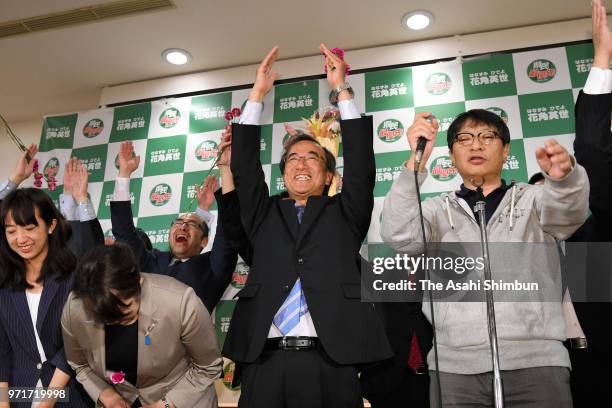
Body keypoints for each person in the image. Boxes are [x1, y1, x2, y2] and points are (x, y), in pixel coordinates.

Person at [381, 107, 589, 406]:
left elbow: (569, 213)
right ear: (451, 156)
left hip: (537, 362)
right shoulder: (436, 210)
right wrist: (415, 162)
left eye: (487, 137)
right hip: (454, 369)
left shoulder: (534, 200)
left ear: (505, 151)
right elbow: (399, 235)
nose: (476, 145)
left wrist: (565, 181)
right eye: (464, 138)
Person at [222, 44, 391, 407]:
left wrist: (342, 90)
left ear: (329, 174)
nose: (301, 163)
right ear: (283, 174)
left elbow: (361, 167)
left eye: (312, 157)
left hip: (332, 360)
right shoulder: (263, 213)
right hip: (265, 360)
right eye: (292, 159)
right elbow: (246, 170)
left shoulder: (345, 213)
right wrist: (257, 95)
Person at [61, 243, 223, 408]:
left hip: (183, 399)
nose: (115, 323)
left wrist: (165, 405)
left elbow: (208, 367)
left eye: (124, 314)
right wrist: (106, 395)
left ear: (139, 282)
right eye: (105, 318)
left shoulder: (180, 302)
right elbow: (80, 365)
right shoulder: (75, 308)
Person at [0, 147, 100, 407]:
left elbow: (77, 340)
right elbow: (2, 350)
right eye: (11, 231)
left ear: (51, 226)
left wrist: (47, 400)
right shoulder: (5, 284)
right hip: (18, 396)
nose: (20, 239)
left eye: (30, 228)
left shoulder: (73, 276)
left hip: (69, 395)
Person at [110, 141, 238, 312]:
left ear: (204, 242)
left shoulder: (212, 267)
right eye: (177, 223)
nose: (182, 226)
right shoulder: (151, 261)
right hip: (145, 338)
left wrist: (225, 170)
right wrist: (124, 174)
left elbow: (228, 231)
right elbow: (124, 231)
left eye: (191, 224)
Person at [563, 1, 612, 405]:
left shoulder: (592, 239)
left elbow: (594, 149)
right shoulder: (580, 246)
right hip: (572, 366)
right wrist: (602, 60)